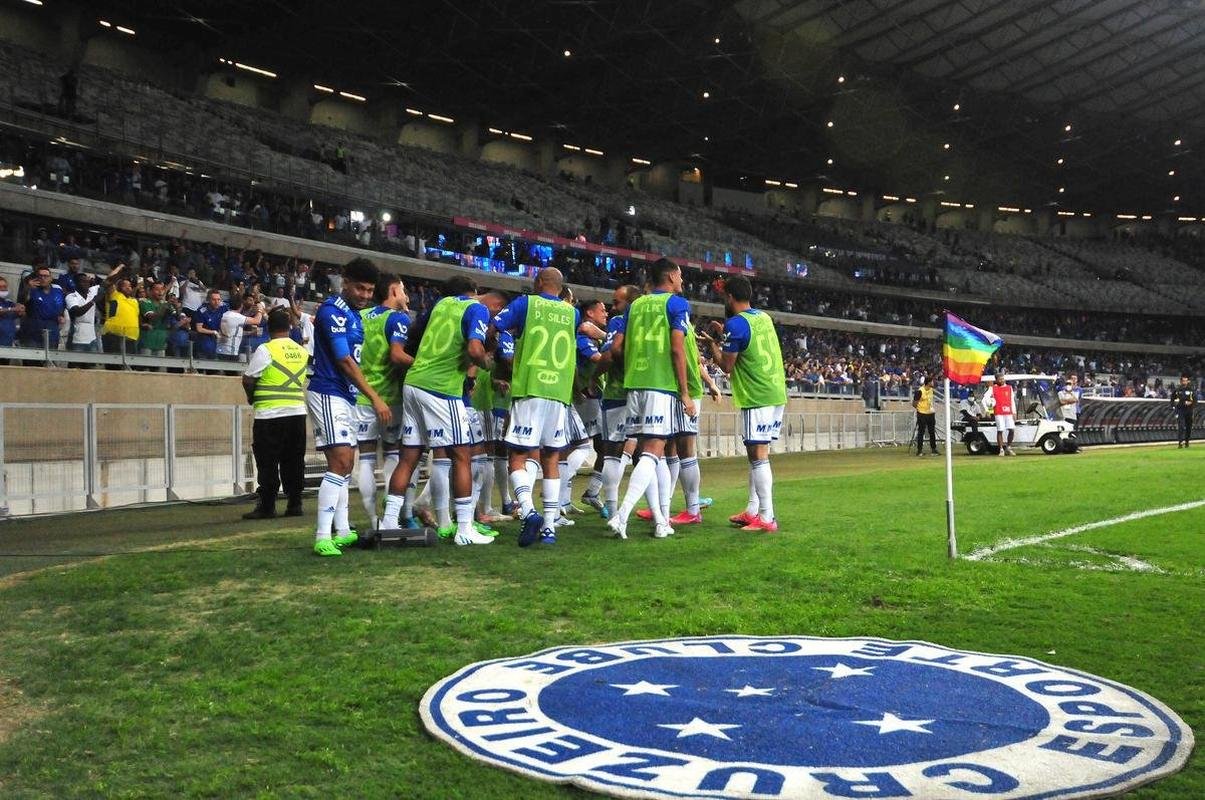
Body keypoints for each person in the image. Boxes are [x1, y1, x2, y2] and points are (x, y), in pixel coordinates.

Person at [378, 276, 503, 546]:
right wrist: (486, 364)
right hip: (441, 389)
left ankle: (389, 521)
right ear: (476, 292)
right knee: (462, 455)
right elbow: (474, 348)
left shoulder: (441, 304)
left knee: (409, 456)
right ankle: (464, 529)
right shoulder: (476, 308)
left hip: (413, 383)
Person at [306, 257, 392, 557]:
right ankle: (322, 536)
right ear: (345, 282)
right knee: (341, 462)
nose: (365, 295)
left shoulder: (354, 315)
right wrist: (375, 396)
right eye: (360, 289)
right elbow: (344, 360)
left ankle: (342, 531)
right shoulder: (333, 313)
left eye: (370, 290)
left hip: (344, 396)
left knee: (345, 464)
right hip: (329, 391)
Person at [606, 259, 694, 540]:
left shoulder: (635, 306)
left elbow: (619, 348)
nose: (682, 279)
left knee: (650, 455)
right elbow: (677, 350)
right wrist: (684, 393)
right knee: (654, 452)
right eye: (679, 274)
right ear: (670, 276)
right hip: (660, 384)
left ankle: (661, 521)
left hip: (635, 384)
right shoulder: (676, 304)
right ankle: (622, 515)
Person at [494, 267, 581, 547]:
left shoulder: (525, 304)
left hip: (530, 387)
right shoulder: (573, 313)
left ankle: (529, 511)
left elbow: (495, 326)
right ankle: (549, 528)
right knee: (551, 459)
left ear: (540, 281)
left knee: (518, 455)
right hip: (558, 392)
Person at [702, 275, 787, 532]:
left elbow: (727, 365)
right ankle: (753, 510)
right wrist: (725, 334)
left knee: (757, 455)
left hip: (756, 395)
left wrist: (713, 344)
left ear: (729, 297)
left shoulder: (736, 324)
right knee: (759, 455)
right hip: (775, 392)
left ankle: (767, 517)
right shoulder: (763, 317)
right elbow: (746, 340)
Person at [354, 273, 411, 530]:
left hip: (362, 396)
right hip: (390, 398)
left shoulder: (361, 316)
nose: (406, 295)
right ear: (393, 291)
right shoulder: (397, 318)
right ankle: (393, 518)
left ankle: (373, 520)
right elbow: (397, 356)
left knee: (365, 458)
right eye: (402, 290)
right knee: (392, 456)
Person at [242, 308, 309, 519]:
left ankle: (267, 505)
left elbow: (249, 378)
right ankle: (294, 504)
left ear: (269, 328)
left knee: (268, 460)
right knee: (294, 459)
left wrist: (251, 397)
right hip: (297, 413)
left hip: (269, 416)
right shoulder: (301, 351)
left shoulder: (266, 349)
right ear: (289, 327)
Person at [596, 285, 640, 519]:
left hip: (616, 393)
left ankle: (612, 510)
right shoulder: (647, 322)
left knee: (612, 452)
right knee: (648, 455)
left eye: (617, 303)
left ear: (629, 303)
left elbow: (610, 353)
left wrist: (594, 376)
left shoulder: (619, 321)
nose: (614, 308)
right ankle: (660, 513)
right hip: (643, 393)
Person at [20, 265, 66, 350]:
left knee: (50, 357)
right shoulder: (32, 289)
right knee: (32, 358)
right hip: (34, 328)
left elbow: (61, 304)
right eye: (40, 276)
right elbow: (22, 301)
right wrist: (28, 288)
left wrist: (61, 315)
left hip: (52, 327)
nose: (43, 278)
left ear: (51, 278)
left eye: (46, 276)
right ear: (36, 278)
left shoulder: (58, 289)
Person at [100, 264, 140, 357]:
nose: (128, 287)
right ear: (118, 287)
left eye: (129, 286)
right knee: (113, 364)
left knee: (129, 364)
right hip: (113, 335)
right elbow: (109, 280)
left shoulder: (134, 301)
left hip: (131, 336)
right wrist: (119, 268)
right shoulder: (114, 295)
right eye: (124, 286)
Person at [138, 281, 176, 358]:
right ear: (150, 291)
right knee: (145, 366)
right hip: (147, 340)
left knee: (160, 367)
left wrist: (177, 307)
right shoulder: (144, 302)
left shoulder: (165, 303)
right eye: (157, 289)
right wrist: (166, 305)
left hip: (161, 340)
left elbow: (177, 316)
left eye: (162, 289)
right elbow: (151, 316)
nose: (160, 291)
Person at [65, 273, 100, 353]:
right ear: (76, 283)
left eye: (87, 281)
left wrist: (120, 267)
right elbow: (77, 312)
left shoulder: (92, 292)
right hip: (77, 337)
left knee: (91, 364)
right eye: (83, 281)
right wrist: (93, 301)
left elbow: (108, 282)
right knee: (75, 364)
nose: (86, 284)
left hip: (92, 338)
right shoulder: (71, 296)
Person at [192, 289, 226, 360]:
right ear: (208, 300)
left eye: (218, 299)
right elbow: (199, 328)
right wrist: (214, 332)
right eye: (214, 300)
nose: (217, 302)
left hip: (216, 341)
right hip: (203, 341)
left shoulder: (223, 307)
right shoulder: (202, 310)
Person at [990, 372, 1017, 456]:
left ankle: (1008, 447)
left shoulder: (1009, 388)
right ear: (996, 380)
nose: (1002, 380)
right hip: (998, 412)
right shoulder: (993, 389)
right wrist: (990, 411)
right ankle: (1001, 449)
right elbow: (990, 401)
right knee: (1000, 430)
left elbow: (1012, 400)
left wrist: (1014, 412)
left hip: (1008, 411)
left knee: (1012, 430)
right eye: (1000, 379)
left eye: (1003, 378)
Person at [912, 373, 939, 456]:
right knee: (921, 431)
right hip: (922, 413)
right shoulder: (920, 391)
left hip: (930, 413)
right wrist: (920, 409)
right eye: (932, 382)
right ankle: (919, 450)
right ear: (928, 383)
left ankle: (933, 449)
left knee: (931, 431)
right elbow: (914, 403)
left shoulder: (931, 390)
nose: (933, 383)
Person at [1170, 373, 1195, 448]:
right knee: (1181, 426)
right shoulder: (1177, 390)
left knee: (1188, 427)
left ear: (1188, 381)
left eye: (1186, 381)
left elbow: (1195, 400)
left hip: (1189, 411)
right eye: (1183, 381)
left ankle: (1187, 441)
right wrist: (1174, 407)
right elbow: (1172, 399)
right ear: (1181, 381)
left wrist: (1191, 403)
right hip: (1180, 410)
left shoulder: (1191, 390)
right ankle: (1180, 442)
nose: (1184, 382)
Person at [0, 277, 24, 347]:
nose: (3, 289)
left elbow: (20, 313)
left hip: (8, 342)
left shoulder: (8, 302)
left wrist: (21, 309)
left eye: (4, 286)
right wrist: (12, 309)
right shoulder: (11, 306)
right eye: (0, 287)